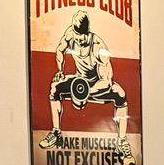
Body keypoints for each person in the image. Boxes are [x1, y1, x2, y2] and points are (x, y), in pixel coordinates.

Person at [39, 13, 130, 153]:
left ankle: (122, 142)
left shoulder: (98, 47)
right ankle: (56, 133)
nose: (78, 41)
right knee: (54, 88)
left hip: (96, 86)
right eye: (76, 38)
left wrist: (86, 91)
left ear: (87, 32)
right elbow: (59, 50)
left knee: (120, 93)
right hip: (79, 81)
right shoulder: (70, 34)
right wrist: (60, 71)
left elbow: (106, 81)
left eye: (81, 39)